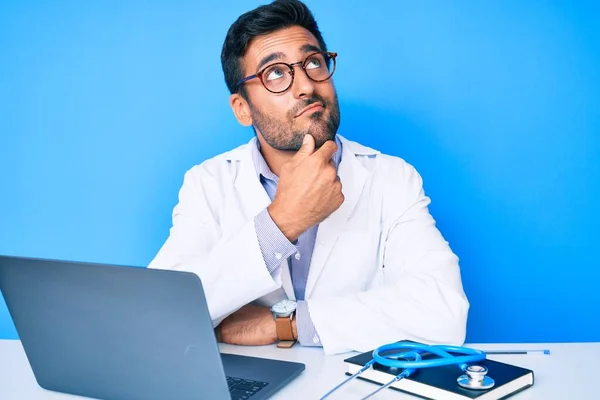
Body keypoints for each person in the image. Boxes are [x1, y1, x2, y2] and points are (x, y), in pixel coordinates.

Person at [148, 0, 469, 355]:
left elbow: (443, 311)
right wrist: (282, 221)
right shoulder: (208, 183)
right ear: (242, 108)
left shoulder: (391, 177)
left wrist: (284, 323)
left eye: (313, 62)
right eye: (275, 74)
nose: (305, 85)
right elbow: (159, 311)